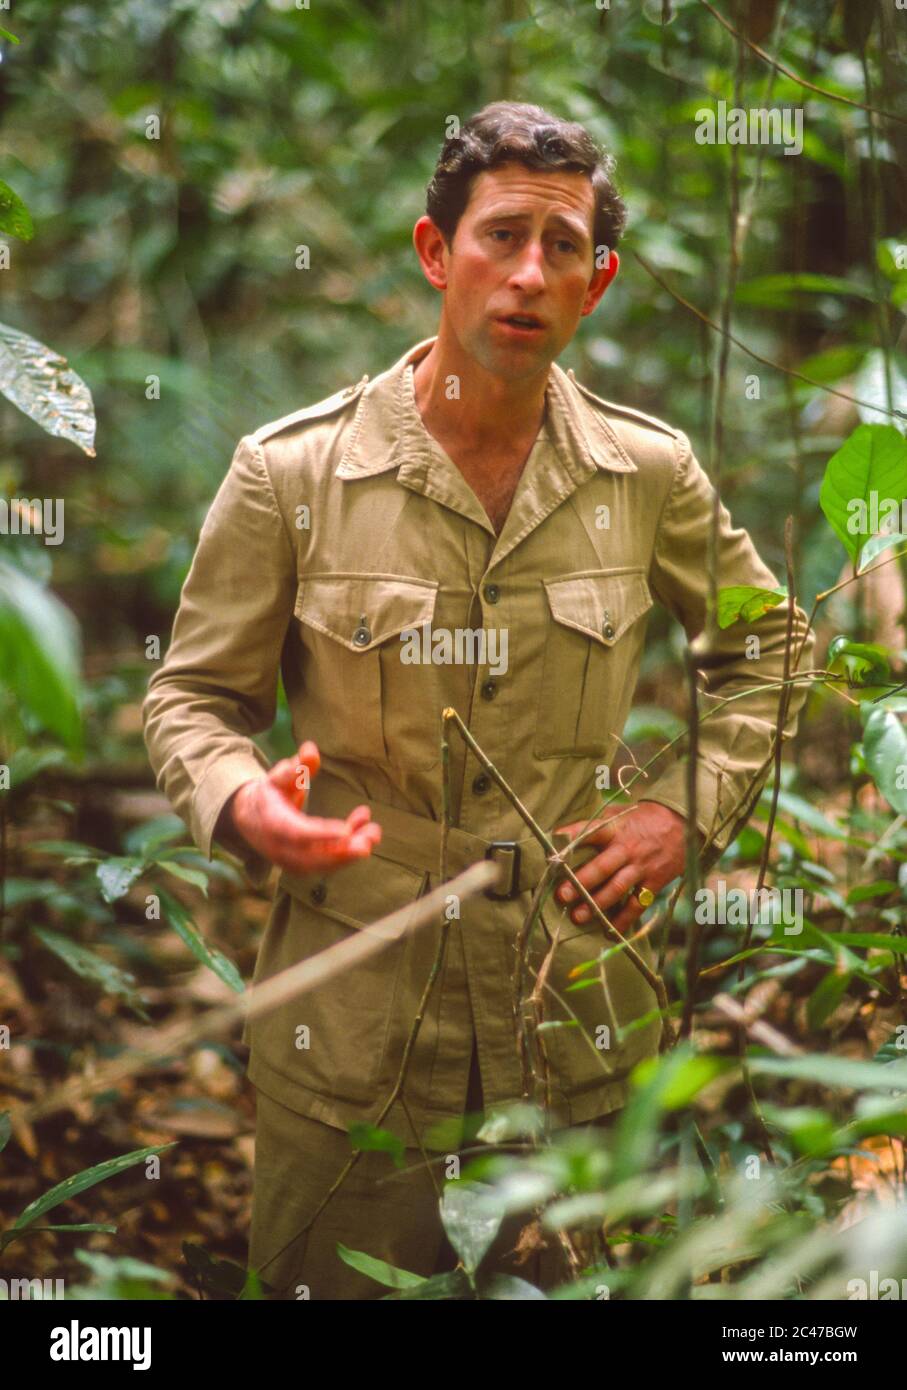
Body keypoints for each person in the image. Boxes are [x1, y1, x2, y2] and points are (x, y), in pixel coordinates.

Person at [142, 100, 814, 1298]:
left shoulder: (645, 472)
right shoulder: (294, 471)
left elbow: (768, 649)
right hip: (353, 1009)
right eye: (501, 235)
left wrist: (680, 811)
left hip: (572, 1007)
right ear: (434, 253)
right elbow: (192, 697)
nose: (528, 273)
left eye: (562, 249)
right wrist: (245, 807)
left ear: (595, 284)